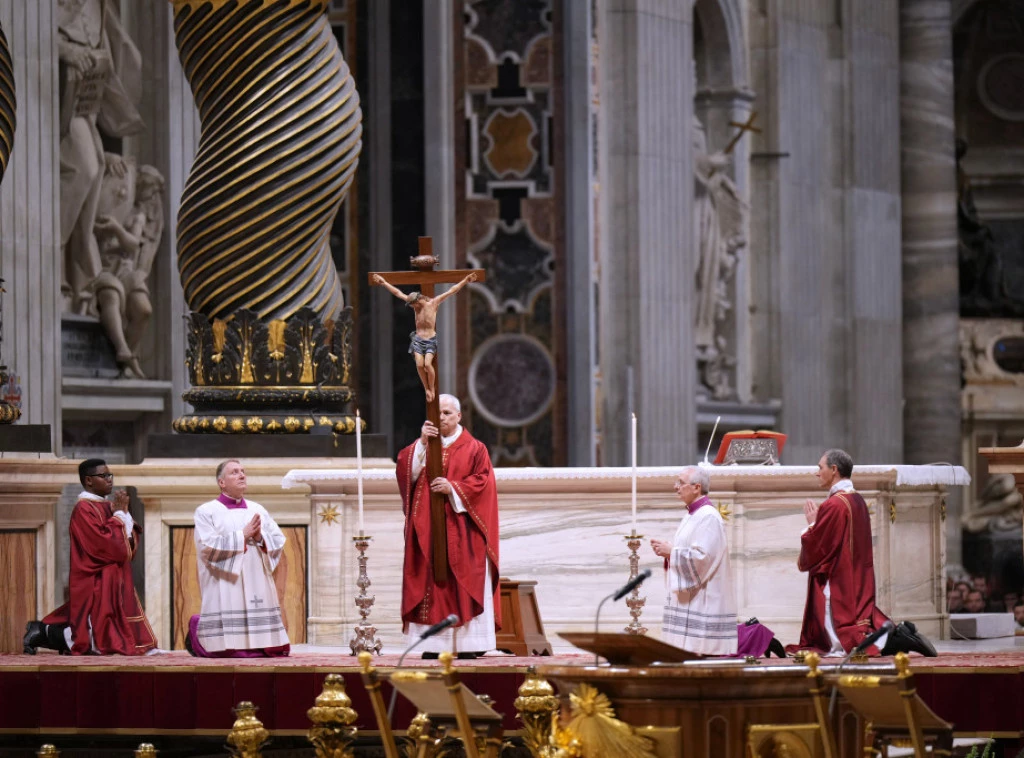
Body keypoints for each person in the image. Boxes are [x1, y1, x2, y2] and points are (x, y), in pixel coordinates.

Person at [789, 449, 937, 657]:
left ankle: (898, 639)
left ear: (834, 470)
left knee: (843, 640)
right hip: (856, 575)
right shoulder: (856, 499)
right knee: (859, 625)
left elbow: (820, 547)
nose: (817, 472)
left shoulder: (835, 504)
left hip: (839, 580)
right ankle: (899, 634)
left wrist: (812, 525)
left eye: (820, 467)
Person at [395, 394, 501, 658]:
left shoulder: (475, 448)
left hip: (463, 530)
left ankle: (469, 646)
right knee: (430, 581)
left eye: (446, 413)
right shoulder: (425, 446)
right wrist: (421, 442)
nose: (440, 418)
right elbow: (406, 471)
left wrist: (453, 487)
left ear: (458, 416)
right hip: (429, 530)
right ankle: (433, 645)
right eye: (437, 413)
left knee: (465, 583)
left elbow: (484, 484)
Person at [23, 458, 159, 655]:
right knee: (90, 636)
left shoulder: (107, 506)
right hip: (94, 579)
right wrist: (120, 517)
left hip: (113, 578)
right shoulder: (83, 509)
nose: (109, 480)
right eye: (104, 476)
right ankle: (40, 632)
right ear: (89, 481)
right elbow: (105, 545)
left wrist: (123, 515)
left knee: (98, 633)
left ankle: (41, 631)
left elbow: (125, 548)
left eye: (110, 475)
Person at [650, 466, 784, 657]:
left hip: (705, 594)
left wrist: (672, 552)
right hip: (694, 594)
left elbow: (703, 558)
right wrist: (669, 552)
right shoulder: (692, 515)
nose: (675, 487)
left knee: (708, 653)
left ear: (696, 487)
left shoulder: (708, 516)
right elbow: (691, 551)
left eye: (680, 482)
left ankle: (757, 636)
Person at [186, 460, 290, 657]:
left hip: (255, 572)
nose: (242, 475)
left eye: (243, 471)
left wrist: (260, 537)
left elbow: (277, 539)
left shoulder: (257, 509)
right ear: (221, 482)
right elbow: (206, 546)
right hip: (225, 578)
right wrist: (242, 535)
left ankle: (262, 643)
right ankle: (229, 644)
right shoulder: (206, 511)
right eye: (234, 472)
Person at [372, 272, 477, 401]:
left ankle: (432, 388)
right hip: (418, 339)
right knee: (420, 365)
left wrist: (465, 280)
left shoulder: (433, 303)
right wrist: (383, 282)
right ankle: (426, 388)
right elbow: (397, 293)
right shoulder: (416, 308)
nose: (411, 307)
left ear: (418, 300)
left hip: (429, 340)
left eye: (412, 304)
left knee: (428, 364)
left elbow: (451, 291)